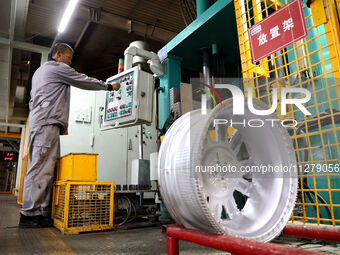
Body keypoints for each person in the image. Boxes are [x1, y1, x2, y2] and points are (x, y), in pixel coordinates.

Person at [19, 43, 120, 228]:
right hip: (47, 123)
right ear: (58, 54)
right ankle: (29, 214)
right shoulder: (57, 68)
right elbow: (83, 80)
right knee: (41, 168)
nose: (70, 63)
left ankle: (40, 213)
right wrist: (109, 87)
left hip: (42, 122)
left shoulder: (39, 73)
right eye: (68, 58)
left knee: (45, 168)